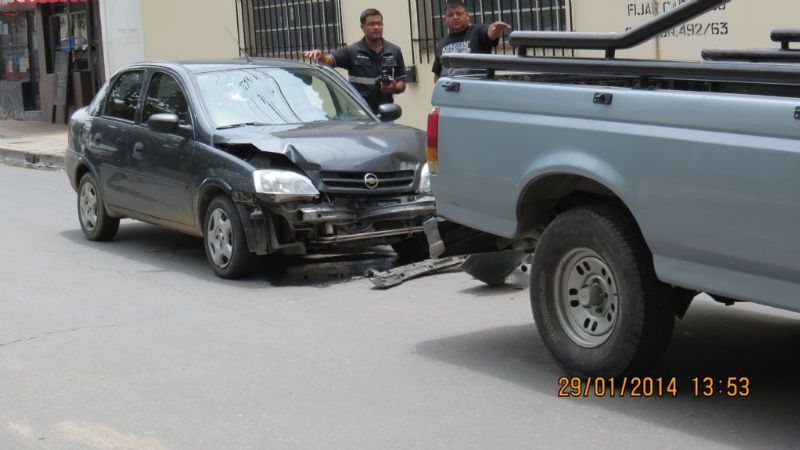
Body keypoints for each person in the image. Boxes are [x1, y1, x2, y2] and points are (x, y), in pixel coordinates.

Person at [304, 8, 406, 114]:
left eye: (379, 23)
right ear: (363, 27)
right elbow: (327, 60)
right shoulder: (352, 51)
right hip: (360, 114)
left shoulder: (394, 51)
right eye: (372, 24)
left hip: (386, 113)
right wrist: (320, 56)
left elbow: (402, 84)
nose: (376, 27)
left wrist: (392, 88)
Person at [433, 0, 511, 80]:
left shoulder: (478, 31)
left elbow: (490, 33)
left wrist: (495, 30)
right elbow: (437, 74)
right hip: (449, 87)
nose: (455, 17)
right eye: (450, 15)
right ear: (445, 19)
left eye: (459, 14)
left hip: (475, 86)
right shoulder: (441, 43)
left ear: (467, 16)